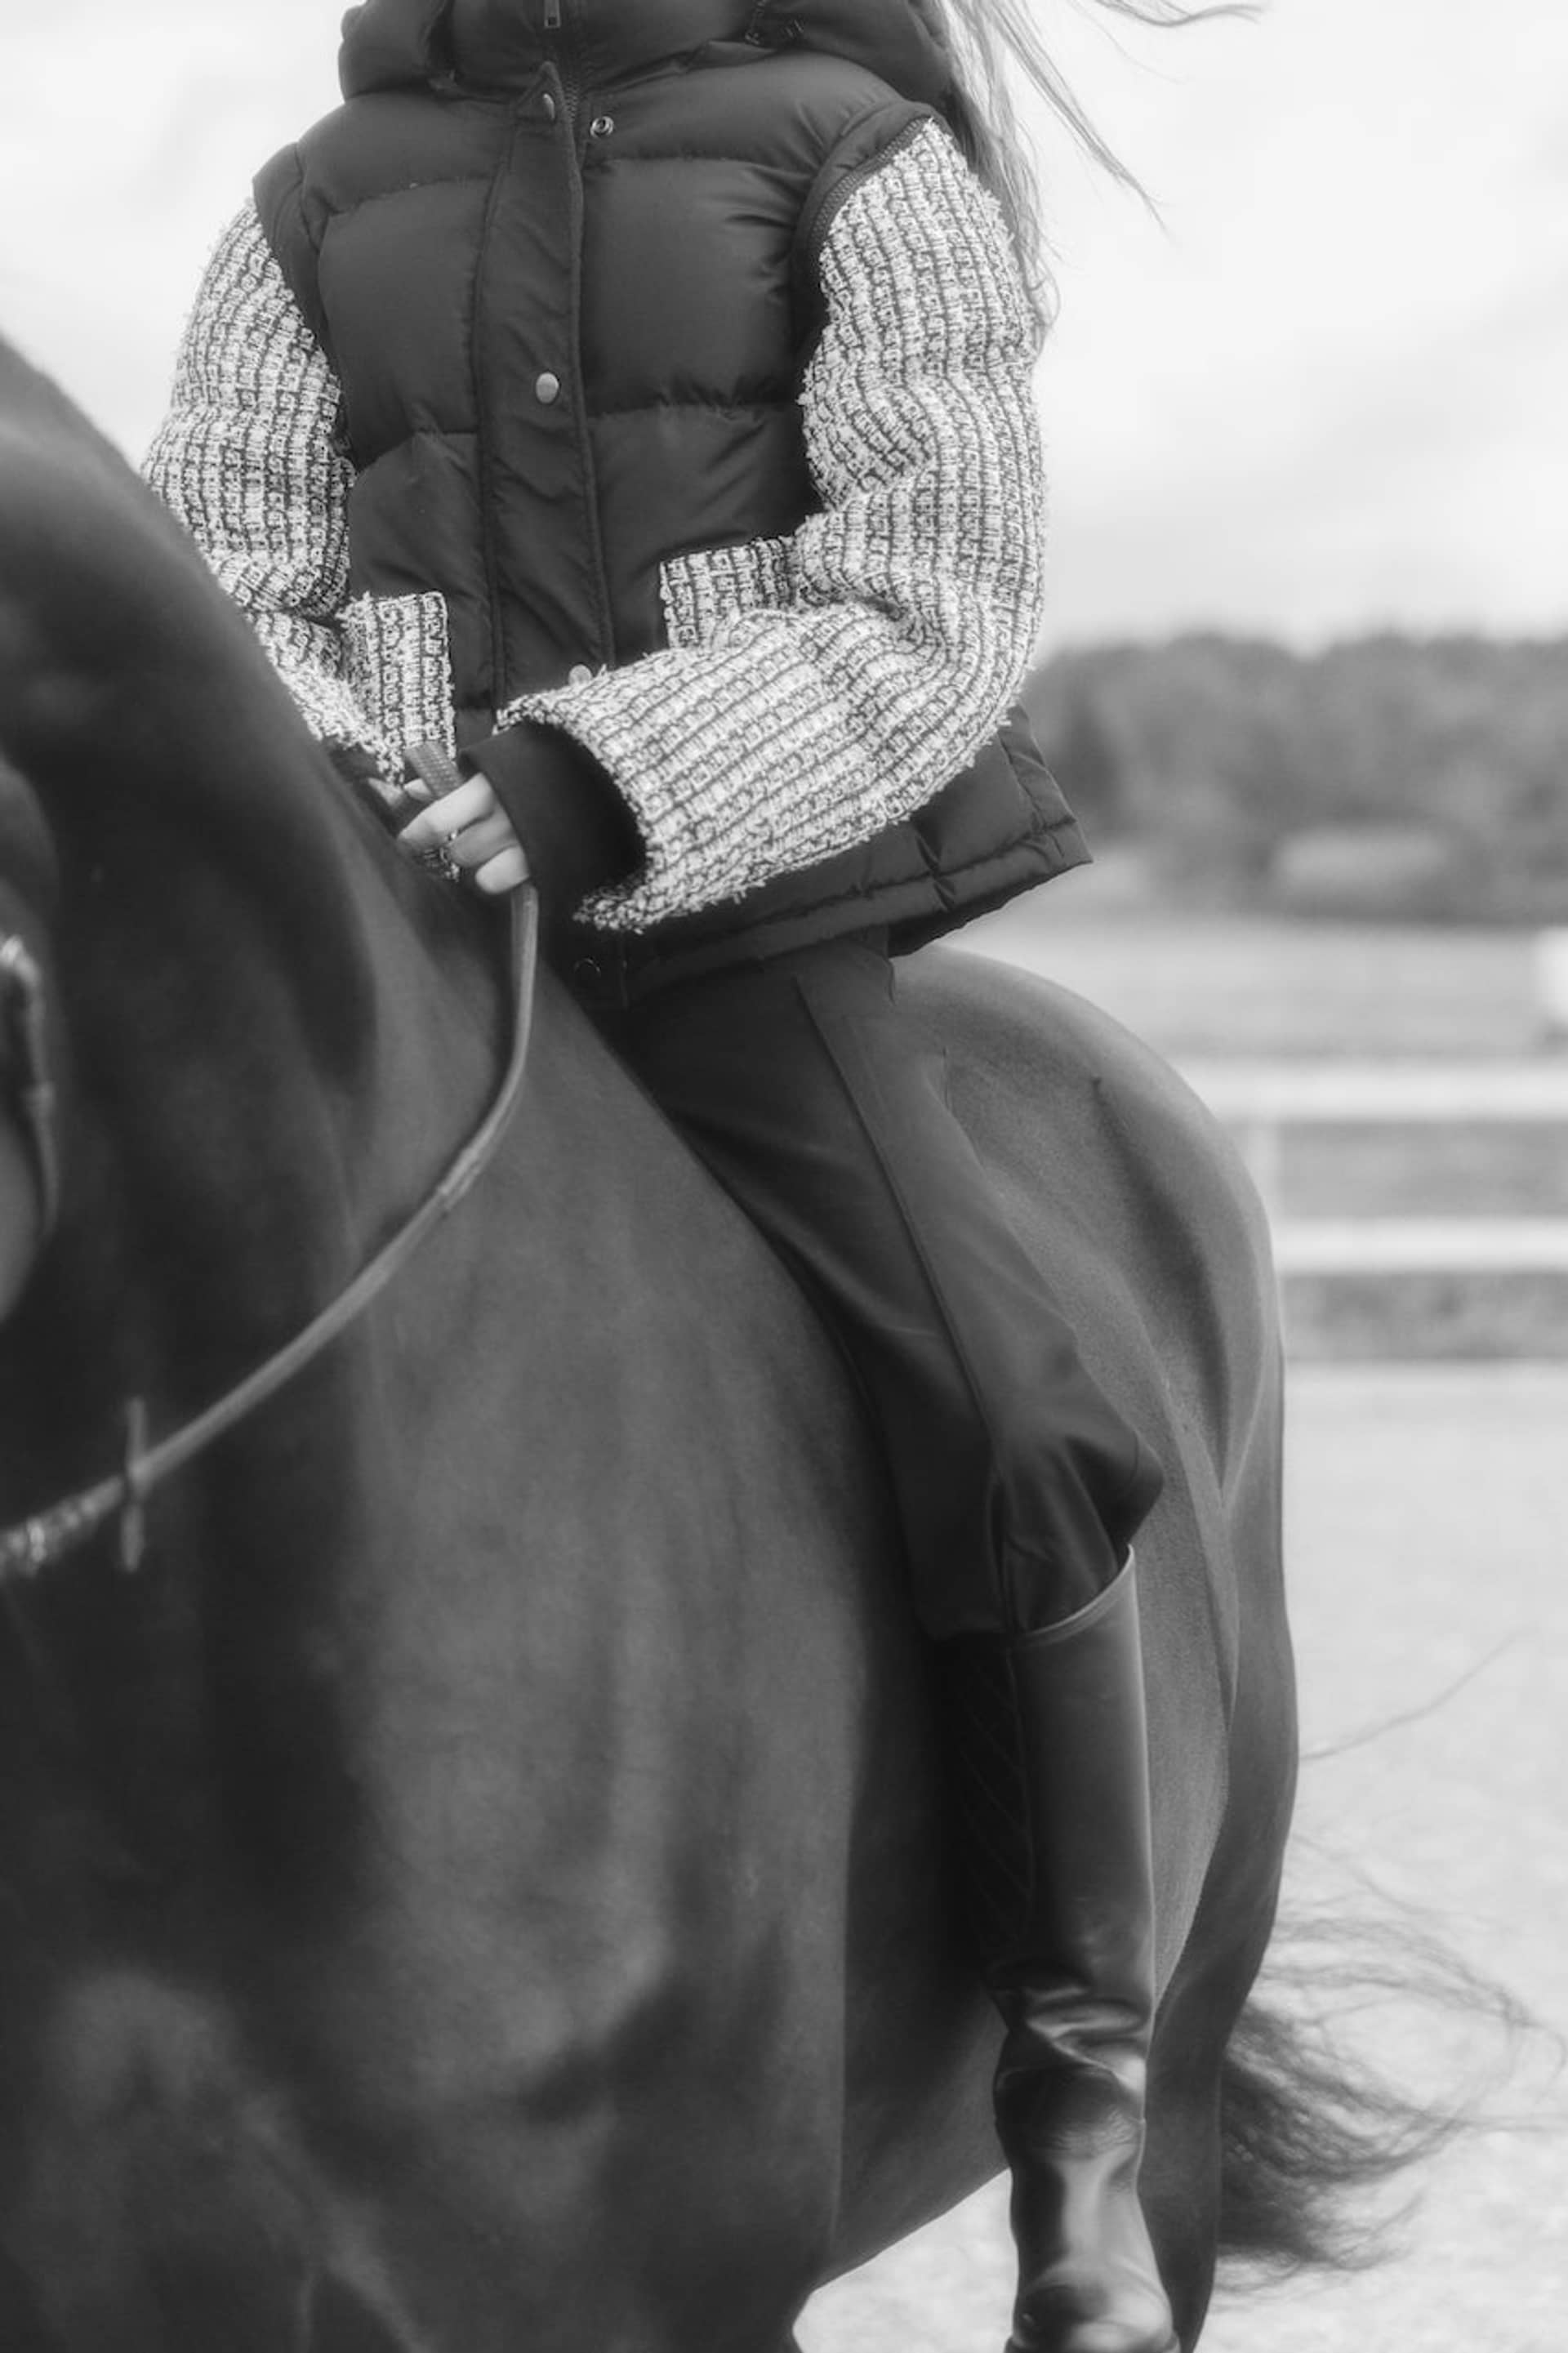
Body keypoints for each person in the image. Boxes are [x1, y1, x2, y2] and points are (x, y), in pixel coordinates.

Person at [145, 5, 1191, 2346]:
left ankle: (1084, 2105)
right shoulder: (313, 199)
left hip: (740, 920)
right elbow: (231, 564)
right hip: (401, 937)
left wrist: (593, 780)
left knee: (1011, 1414)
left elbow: (938, 585)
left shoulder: (856, 158)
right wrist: (383, 788)